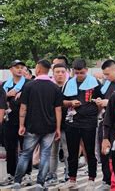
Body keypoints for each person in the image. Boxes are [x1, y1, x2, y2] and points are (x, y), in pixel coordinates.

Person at [11, 60, 62, 189]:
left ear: (38, 69)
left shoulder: (29, 86)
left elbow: (23, 108)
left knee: (25, 154)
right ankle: (40, 183)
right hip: (49, 127)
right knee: (45, 155)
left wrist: (21, 125)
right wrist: (58, 128)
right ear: (49, 70)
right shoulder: (55, 88)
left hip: (32, 126)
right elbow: (58, 110)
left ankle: (17, 181)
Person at [60, 59, 102, 190]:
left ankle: (91, 180)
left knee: (90, 152)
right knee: (72, 153)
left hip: (88, 122)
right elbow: (62, 102)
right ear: (73, 71)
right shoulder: (69, 83)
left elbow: (101, 101)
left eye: (82, 73)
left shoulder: (95, 83)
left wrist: (94, 113)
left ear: (86, 70)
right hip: (72, 122)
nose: (79, 75)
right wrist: (71, 103)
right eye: (76, 73)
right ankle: (72, 179)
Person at [0, 60, 33, 186]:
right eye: (16, 67)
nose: (19, 69)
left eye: (21, 67)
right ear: (11, 70)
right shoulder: (4, 85)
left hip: (26, 121)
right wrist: (8, 95)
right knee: (10, 148)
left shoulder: (29, 84)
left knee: (26, 148)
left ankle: (27, 174)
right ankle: (11, 174)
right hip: (9, 120)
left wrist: (22, 94)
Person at [96, 59, 115, 189]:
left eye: (108, 74)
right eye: (105, 75)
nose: (106, 77)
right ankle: (106, 179)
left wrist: (109, 103)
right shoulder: (107, 84)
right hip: (105, 122)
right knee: (104, 152)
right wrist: (101, 101)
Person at [45, 63, 70, 186]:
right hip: (51, 125)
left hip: (68, 125)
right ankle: (51, 175)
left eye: (62, 71)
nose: (60, 74)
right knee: (52, 152)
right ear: (52, 73)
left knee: (67, 152)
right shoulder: (49, 87)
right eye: (57, 72)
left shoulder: (71, 86)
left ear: (66, 72)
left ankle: (69, 173)